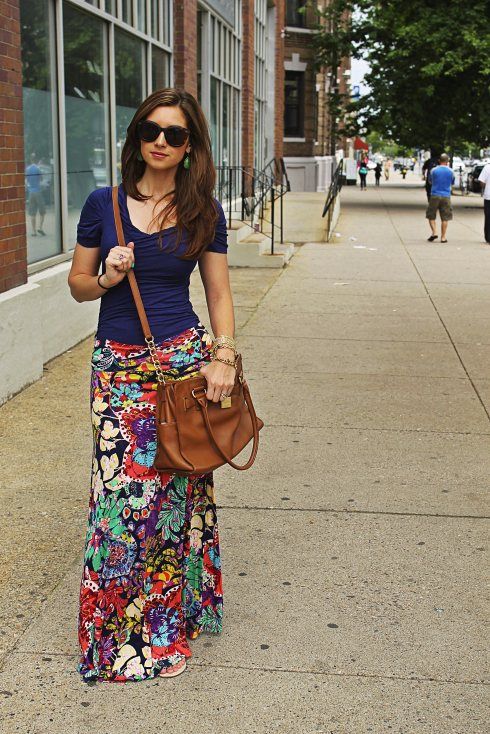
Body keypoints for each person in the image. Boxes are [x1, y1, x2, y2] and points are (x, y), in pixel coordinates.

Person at [68, 88, 236, 683]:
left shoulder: (203, 211)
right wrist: (109, 275)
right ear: (136, 137)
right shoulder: (103, 203)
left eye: (176, 134)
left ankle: (166, 627)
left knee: (171, 502)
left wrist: (225, 358)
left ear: (191, 149)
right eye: (152, 131)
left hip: (183, 366)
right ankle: (115, 635)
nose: (161, 142)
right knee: (120, 503)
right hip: (118, 366)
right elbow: (78, 286)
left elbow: (217, 293)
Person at [425, 153, 455, 242]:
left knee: (431, 215)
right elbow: (452, 182)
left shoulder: (434, 170)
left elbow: (430, 181)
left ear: (439, 160)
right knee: (445, 217)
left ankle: (434, 232)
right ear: (447, 161)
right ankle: (443, 237)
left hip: (435, 195)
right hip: (446, 196)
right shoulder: (451, 171)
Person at [25, 153, 46, 236]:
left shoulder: (27, 169)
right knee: (42, 211)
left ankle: (33, 231)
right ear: (37, 160)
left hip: (31, 192)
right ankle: (40, 227)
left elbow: (26, 180)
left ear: (31, 160)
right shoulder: (38, 168)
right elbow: (41, 179)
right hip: (38, 191)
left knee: (32, 213)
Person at [477, 161, 490, 244]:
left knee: (488, 217)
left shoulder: (487, 167)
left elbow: (481, 182)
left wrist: (486, 187)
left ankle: (488, 237)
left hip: (488, 196)